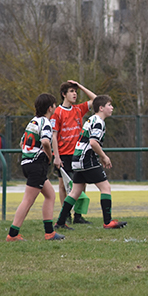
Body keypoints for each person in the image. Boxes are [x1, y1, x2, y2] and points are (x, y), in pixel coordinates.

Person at [56, 95, 127, 229]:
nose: (112, 108)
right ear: (101, 108)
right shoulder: (99, 122)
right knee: (105, 188)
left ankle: (60, 222)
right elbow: (93, 142)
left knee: (75, 192)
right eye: (109, 105)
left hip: (77, 158)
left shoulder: (92, 119)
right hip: (86, 159)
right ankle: (108, 222)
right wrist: (104, 156)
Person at [6, 94, 64, 241]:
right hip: (36, 164)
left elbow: (22, 143)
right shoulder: (46, 122)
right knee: (28, 201)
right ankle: (12, 234)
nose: (55, 107)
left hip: (27, 163)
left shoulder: (32, 122)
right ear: (50, 108)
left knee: (50, 195)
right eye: (54, 105)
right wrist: (49, 156)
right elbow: (45, 141)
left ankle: (49, 232)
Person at [51, 80, 97, 228]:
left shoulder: (78, 109)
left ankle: (78, 215)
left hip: (78, 153)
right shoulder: (57, 112)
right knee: (63, 185)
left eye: (75, 92)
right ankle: (65, 215)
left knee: (81, 183)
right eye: (71, 91)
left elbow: (96, 100)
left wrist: (80, 86)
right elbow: (53, 136)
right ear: (64, 94)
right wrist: (56, 156)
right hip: (64, 154)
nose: (75, 94)